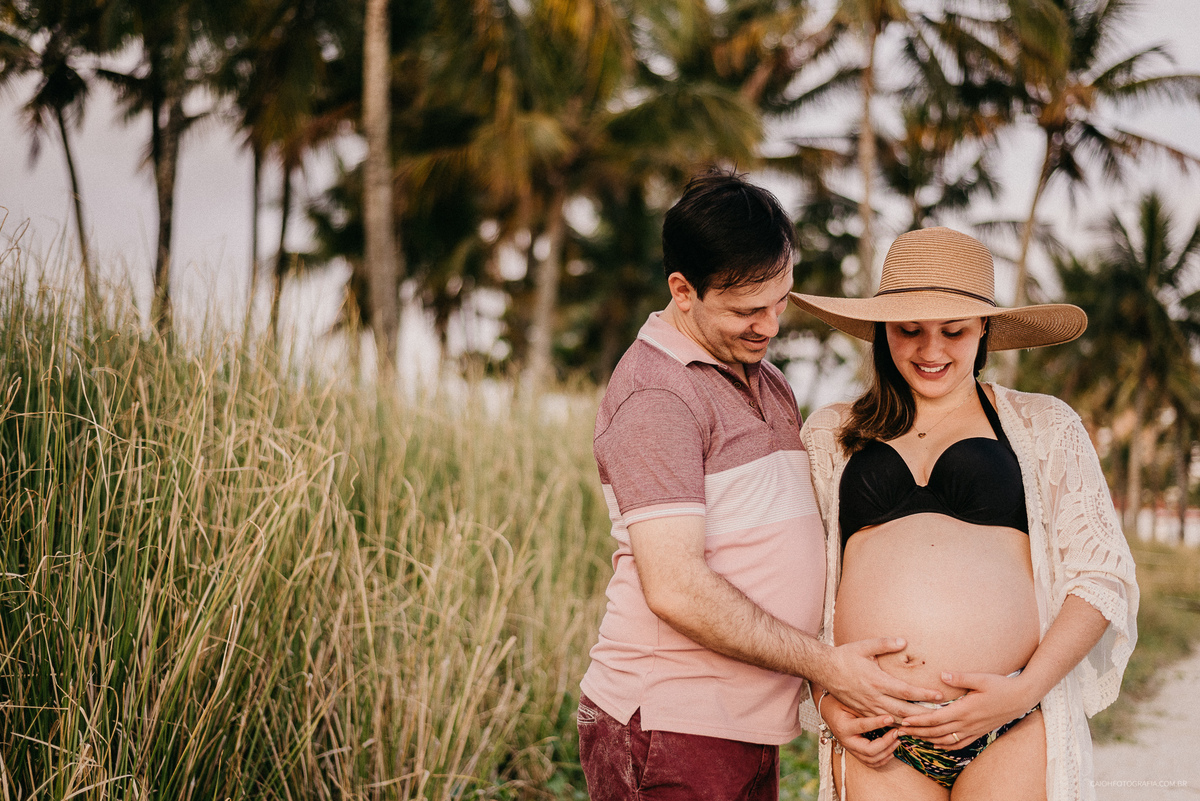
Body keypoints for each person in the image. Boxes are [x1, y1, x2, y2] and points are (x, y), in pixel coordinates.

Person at [577, 170, 944, 801]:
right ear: (682, 291)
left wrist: (826, 691)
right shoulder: (655, 396)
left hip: (743, 732)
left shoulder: (768, 381)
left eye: (781, 301)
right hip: (668, 728)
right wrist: (828, 668)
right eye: (747, 310)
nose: (770, 326)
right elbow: (676, 588)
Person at [789, 227, 1138, 801]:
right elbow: (799, 588)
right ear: (881, 331)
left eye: (952, 331)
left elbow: (1099, 577)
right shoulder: (830, 433)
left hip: (1012, 721)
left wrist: (1024, 692)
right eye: (909, 330)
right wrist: (828, 699)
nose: (931, 351)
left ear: (985, 329)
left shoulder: (1045, 425)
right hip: (877, 725)